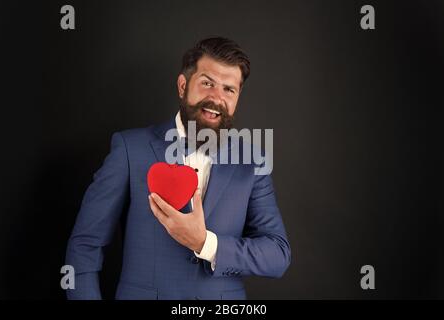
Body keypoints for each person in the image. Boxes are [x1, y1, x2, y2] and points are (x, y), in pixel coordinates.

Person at [65, 37, 291, 300]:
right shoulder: (130, 149)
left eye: (229, 90)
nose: (216, 98)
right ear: (183, 86)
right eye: (207, 83)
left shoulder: (252, 161)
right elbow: (85, 245)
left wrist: (205, 244)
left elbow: (278, 255)